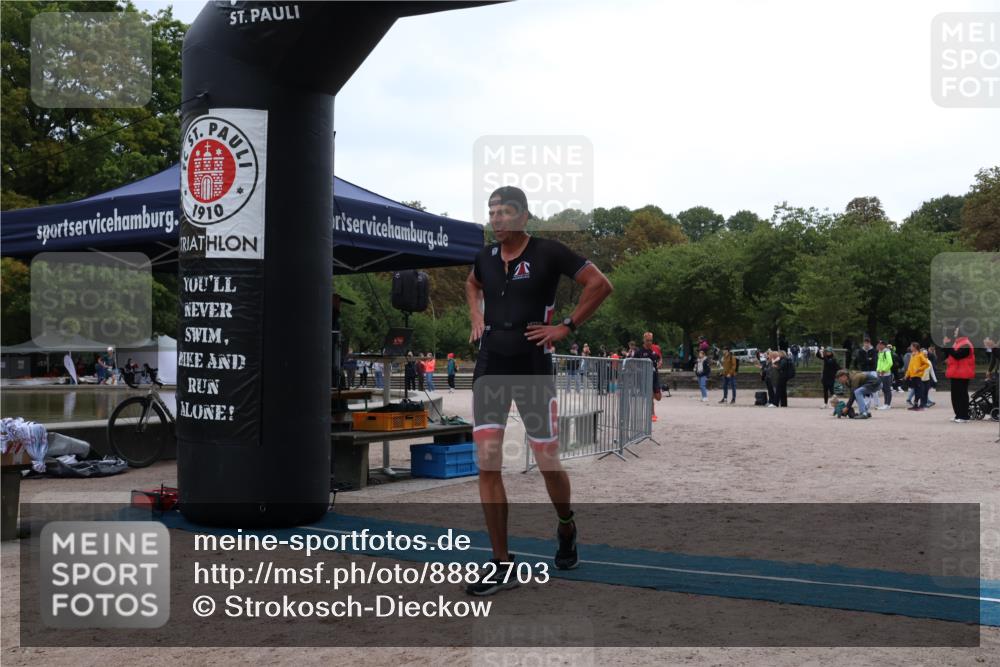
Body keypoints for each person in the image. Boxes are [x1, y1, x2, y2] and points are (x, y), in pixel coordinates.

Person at [465, 185, 612, 595]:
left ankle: (566, 524)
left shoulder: (548, 251)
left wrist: (566, 326)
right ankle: (501, 563)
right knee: (488, 463)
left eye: (505, 212)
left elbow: (600, 284)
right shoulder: (486, 257)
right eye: (492, 212)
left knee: (547, 459)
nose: (497, 219)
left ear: (524, 216)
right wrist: (475, 314)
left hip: (531, 364)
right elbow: (472, 284)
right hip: (491, 363)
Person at [941, 327, 975, 423]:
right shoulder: (957, 343)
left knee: (961, 395)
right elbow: (949, 354)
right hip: (956, 373)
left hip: (962, 373)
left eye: (956, 330)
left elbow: (957, 355)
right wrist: (945, 345)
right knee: (955, 395)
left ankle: (964, 416)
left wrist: (948, 346)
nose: (955, 332)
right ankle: (958, 415)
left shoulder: (966, 344)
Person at [632, 333, 663, 420]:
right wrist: (640, 370)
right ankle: (652, 414)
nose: (649, 342)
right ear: (644, 340)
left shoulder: (654, 350)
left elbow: (659, 358)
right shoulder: (639, 352)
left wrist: (660, 363)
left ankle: (652, 411)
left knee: (658, 397)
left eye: (651, 340)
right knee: (650, 396)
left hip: (655, 376)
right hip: (645, 377)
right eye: (647, 340)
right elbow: (632, 363)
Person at [904, 342, 931, 411]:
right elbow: (910, 366)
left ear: (915, 347)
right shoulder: (912, 355)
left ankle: (922, 405)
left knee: (919, 391)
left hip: (918, 376)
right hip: (913, 376)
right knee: (916, 391)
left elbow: (927, 364)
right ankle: (916, 405)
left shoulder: (920, 355)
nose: (910, 347)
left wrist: (919, 369)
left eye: (911, 346)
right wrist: (907, 375)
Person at [875, 340, 894, 410]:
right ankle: (885, 404)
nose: (878, 346)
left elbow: (890, 363)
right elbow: (879, 362)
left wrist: (884, 370)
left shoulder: (886, 352)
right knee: (884, 389)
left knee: (887, 389)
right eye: (878, 344)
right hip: (880, 373)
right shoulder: (880, 352)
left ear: (883, 345)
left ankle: (887, 404)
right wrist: (878, 369)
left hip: (886, 374)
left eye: (880, 344)